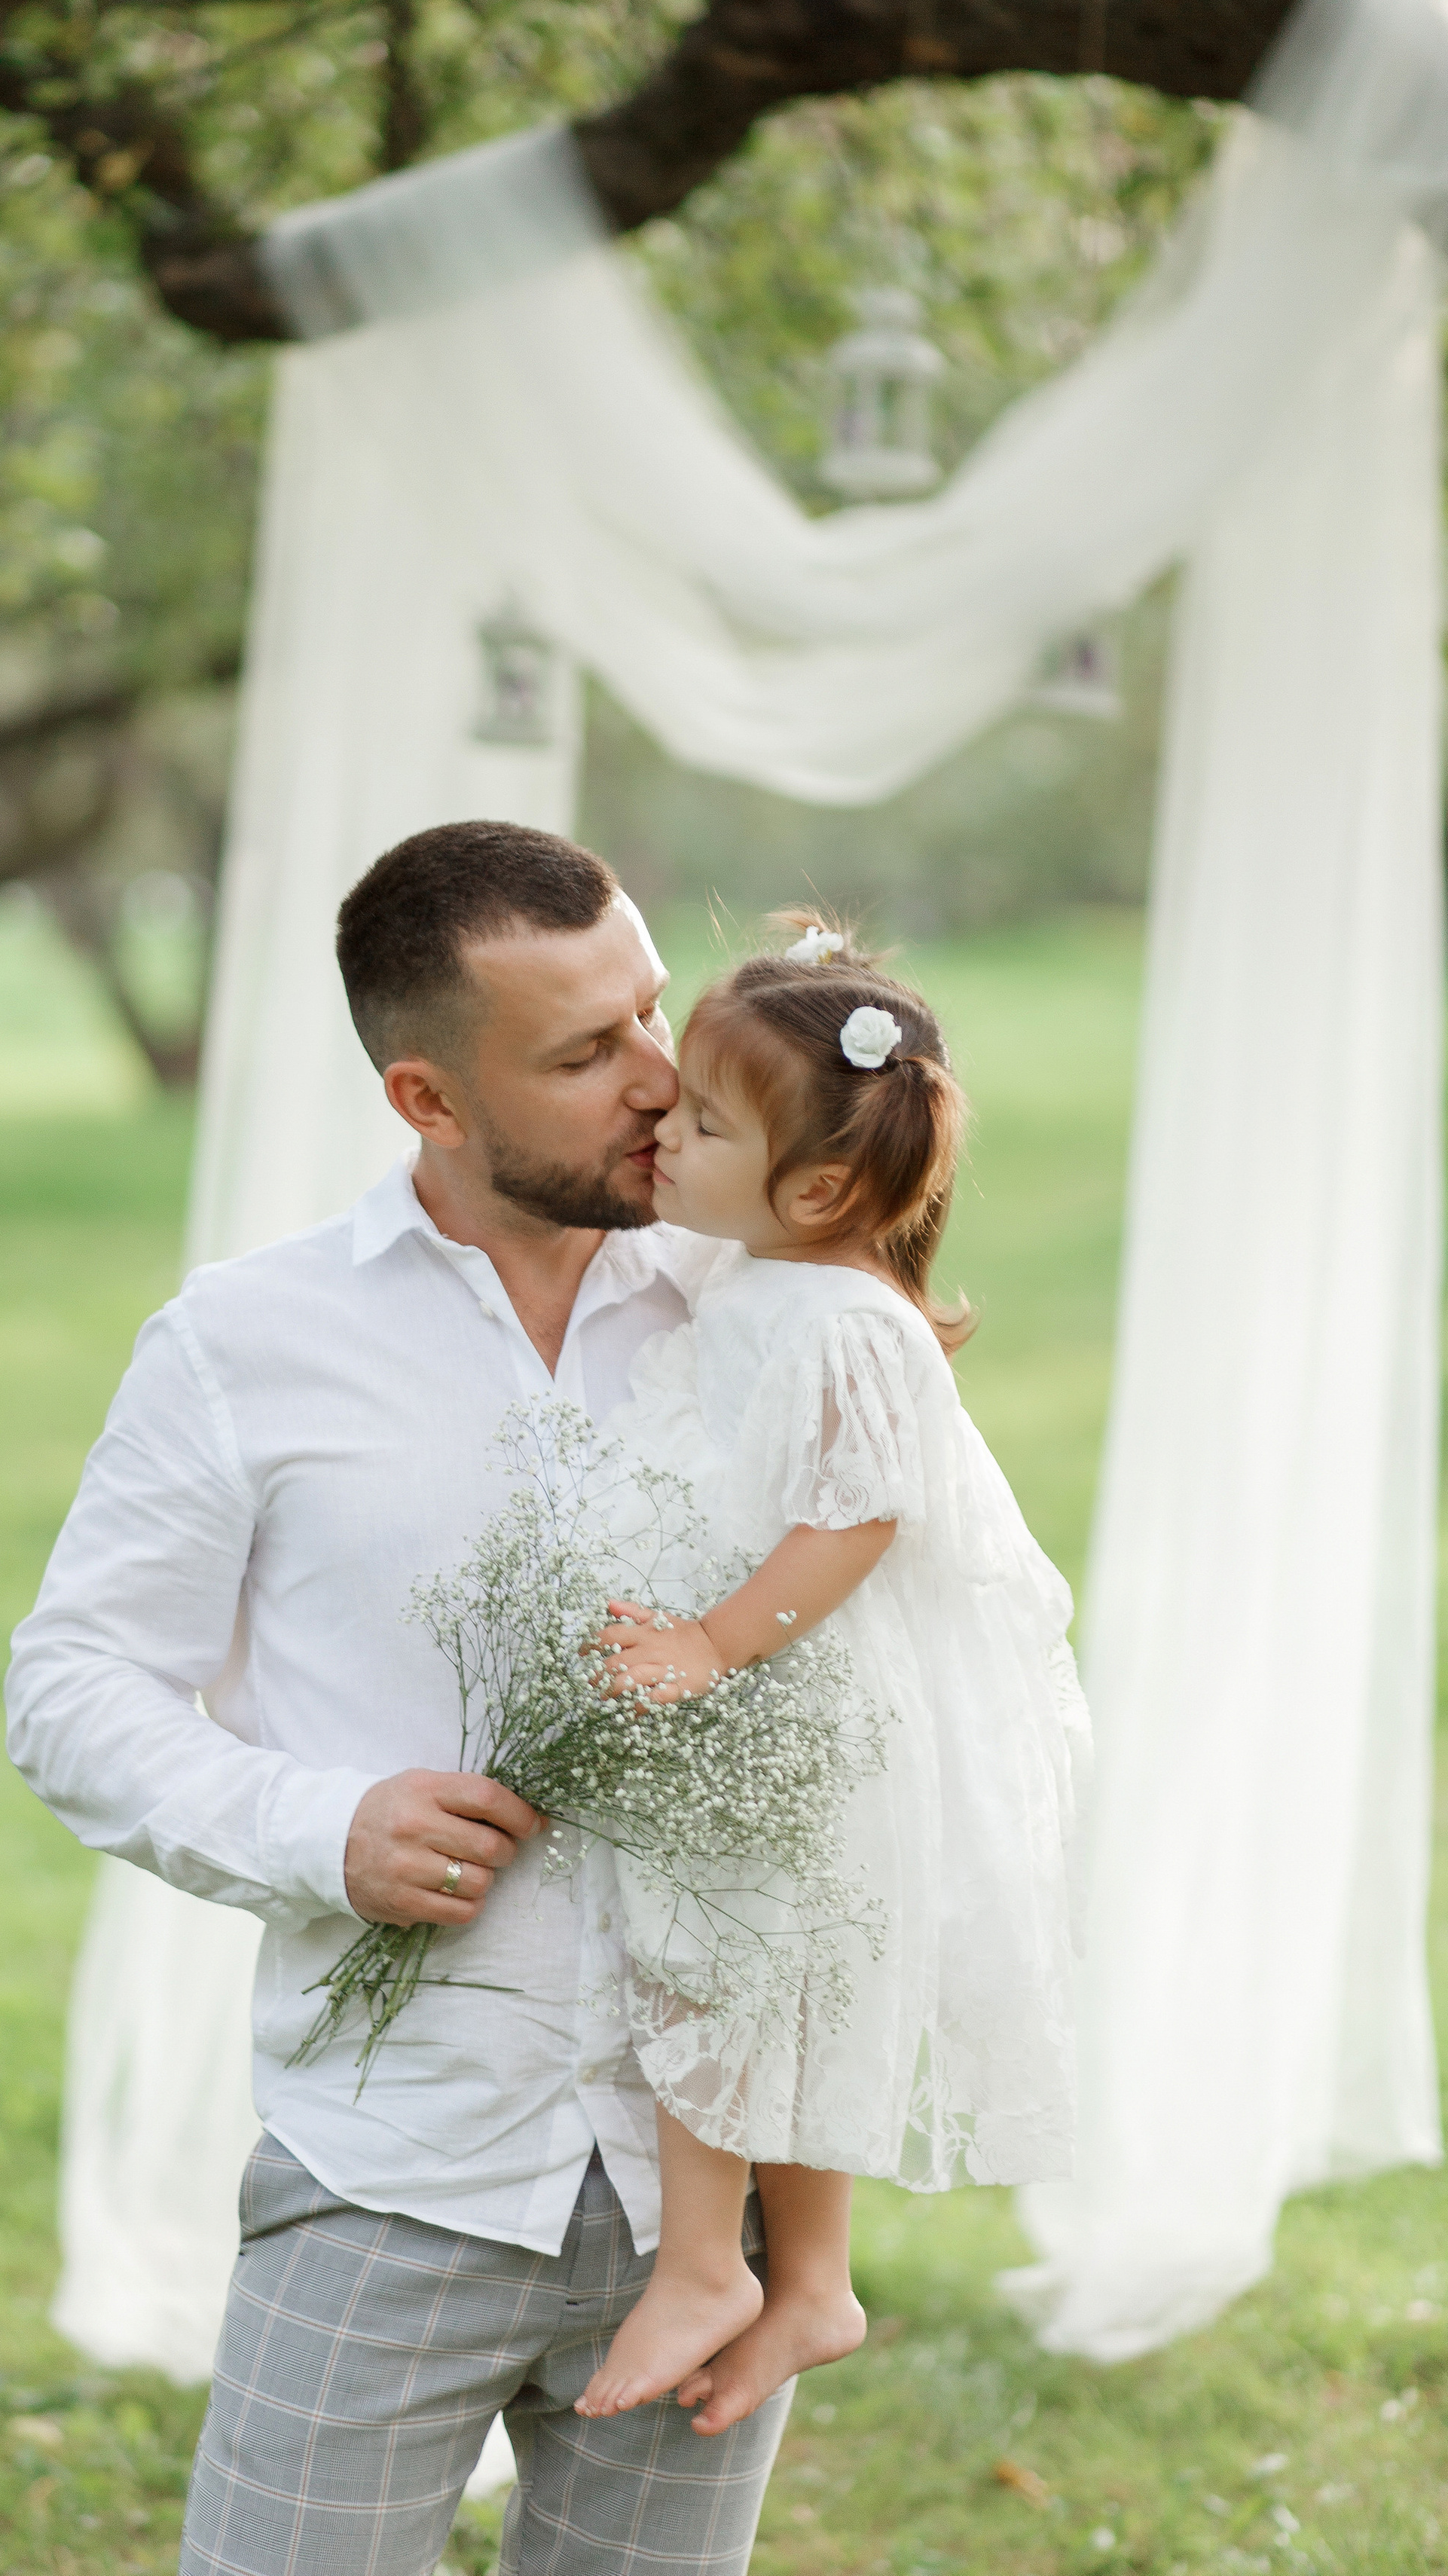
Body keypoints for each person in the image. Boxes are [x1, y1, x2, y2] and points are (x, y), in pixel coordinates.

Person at [5, 822, 795, 2576]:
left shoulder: (769, 1307)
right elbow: (70, 1684)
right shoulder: (243, 1344)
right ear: (426, 1100)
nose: (657, 1076)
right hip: (392, 2170)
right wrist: (320, 1827)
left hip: (706, 2184)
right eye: (583, 1053)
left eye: (650, 1010)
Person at [573, 918, 1090, 2436]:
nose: (663, 1130)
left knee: (719, 1953)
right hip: (777, 1683)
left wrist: (709, 1644)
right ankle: (808, 2283)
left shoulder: (847, 1323)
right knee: (790, 1985)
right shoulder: (769, 1272)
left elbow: (860, 1515)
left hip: (793, 1688)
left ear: (811, 1190)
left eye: (701, 1123)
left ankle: (702, 2265)